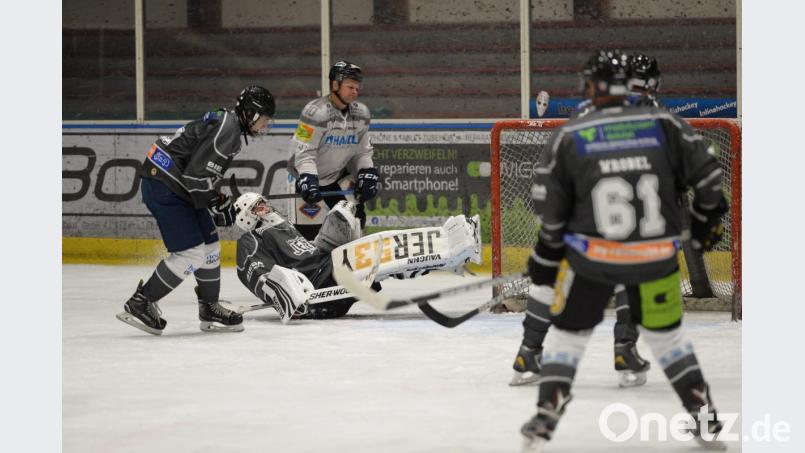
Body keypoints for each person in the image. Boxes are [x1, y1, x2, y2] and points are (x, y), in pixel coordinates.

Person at [519, 50, 728, 452]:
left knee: (568, 337)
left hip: (593, 261)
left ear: (593, 86)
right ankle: (704, 415)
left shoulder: (572, 134)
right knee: (668, 339)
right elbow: (709, 176)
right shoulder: (664, 124)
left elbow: (548, 211)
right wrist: (705, 223)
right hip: (656, 258)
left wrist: (545, 260)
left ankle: (547, 411)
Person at [511, 52, 655, 388]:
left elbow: (548, 175)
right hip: (616, 215)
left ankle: (527, 352)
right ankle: (625, 348)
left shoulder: (580, 115)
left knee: (548, 279)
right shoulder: (645, 113)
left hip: (572, 211)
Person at [116, 86, 276, 335]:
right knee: (190, 254)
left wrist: (216, 201)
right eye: (264, 118)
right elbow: (195, 176)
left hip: (174, 182)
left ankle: (209, 307)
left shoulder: (229, 125)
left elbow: (197, 172)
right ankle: (141, 302)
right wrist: (216, 203)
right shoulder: (228, 129)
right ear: (251, 114)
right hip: (164, 183)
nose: (265, 125)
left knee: (210, 245)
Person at [232, 191, 481, 321]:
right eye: (258, 207)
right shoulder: (249, 240)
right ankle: (451, 248)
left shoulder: (282, 227)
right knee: (381, 250)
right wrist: (284, 297)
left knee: (387, 255)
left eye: (264, 203)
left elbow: (306, 254)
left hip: (327, 268)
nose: (266, 208)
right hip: (318, 286)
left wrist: (334, 229)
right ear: (246, 217)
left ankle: (449, 253)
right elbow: (255, 273)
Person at [287, 60, 378, 241]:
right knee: (307, 236)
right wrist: (307, 178)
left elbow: (362, 152)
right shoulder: (314, 113)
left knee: (354, 221)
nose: (355, 91)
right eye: (350, 87)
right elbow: (303, 152)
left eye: (357, 88)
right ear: (335, 85)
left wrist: (366, 172)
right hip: (304, 177)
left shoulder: (361, 114)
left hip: (336, 176)